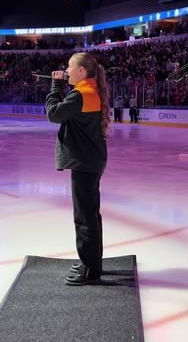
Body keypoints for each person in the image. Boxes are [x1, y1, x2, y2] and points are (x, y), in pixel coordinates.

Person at [45, 52, 110, 286]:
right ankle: (92, 261)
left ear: (82, 71)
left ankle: (90, 269)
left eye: (69, 67)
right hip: (91, 161)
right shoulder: (89, 91)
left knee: (84, 217)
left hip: (85, 163)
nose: (66, 71)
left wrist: (55, 87)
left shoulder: (81, 94)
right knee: (91, 214)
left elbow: (53, 114)